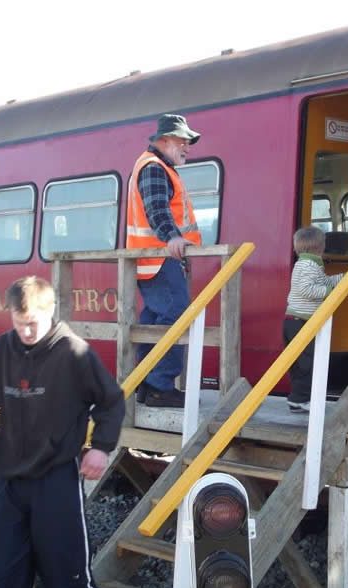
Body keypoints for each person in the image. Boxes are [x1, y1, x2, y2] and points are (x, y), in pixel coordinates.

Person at [0, 276, 124, 588]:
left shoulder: (74, 353)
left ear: (50, 312)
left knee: (68, 577)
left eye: (33, 324)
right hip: (12, 480)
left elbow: (110, 401)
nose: (26, 332)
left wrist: (101, 448)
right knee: (4, 575)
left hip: (56, 478)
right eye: (19, 324)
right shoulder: (2, 349)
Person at [127, 114, 202, 408]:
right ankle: (160, 385)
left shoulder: (154, 166)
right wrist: (172, 236)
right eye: (183, 140)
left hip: (153, 261)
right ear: (165, 140)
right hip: (160, 259)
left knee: (154, 320)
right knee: (176, 315)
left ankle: (145, 382)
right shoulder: (155, 168)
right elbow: (156, 209)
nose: (187, 147)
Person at [283, 226, 344, 412]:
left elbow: (323, 281)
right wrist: (329, 291)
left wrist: (342, 278)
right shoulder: (308, 266)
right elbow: (307, 290)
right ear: (320, 247)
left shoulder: (310, 264)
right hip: (299, 322)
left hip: (296, 321)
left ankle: (299, 399)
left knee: (301, 362)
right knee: (306, 364)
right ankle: (299, 398)